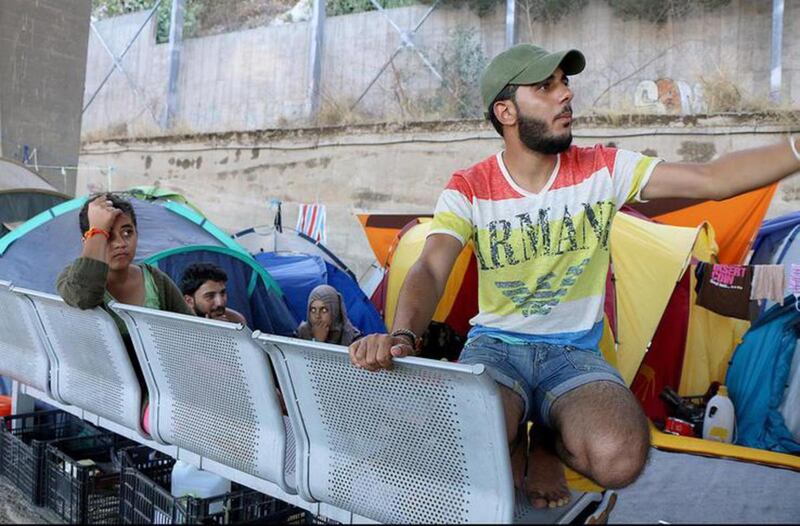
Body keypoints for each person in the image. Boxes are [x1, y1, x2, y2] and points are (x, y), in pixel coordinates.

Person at [349, 43, 800, 509]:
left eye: (565, 82)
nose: (565, 94)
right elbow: (429, 265)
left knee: (621, 457)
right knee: (460, 444)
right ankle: (521, 436)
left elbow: (712, 179)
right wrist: (402, 335)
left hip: (575, 353)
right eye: (546, 86)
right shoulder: (471, 187)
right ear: (505, 111)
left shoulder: (601, 169)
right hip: (497, 347)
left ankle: (546, 437)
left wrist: (795, 148)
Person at [57, 193, 193, 385]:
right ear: (88, 241)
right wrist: (97, 232)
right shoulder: (73, 279)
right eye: (108, 235)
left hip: (162, 389)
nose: (120, 243)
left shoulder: (155, 280)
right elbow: (83, 296)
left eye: (127, 232)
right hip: (107, 393)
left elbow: (192, 333)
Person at [179, 262, 247, 325]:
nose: (220, 302)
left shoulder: (236, 321)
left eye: (222, 293)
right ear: (189, 301)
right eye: (210, 296)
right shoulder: (178, 325)